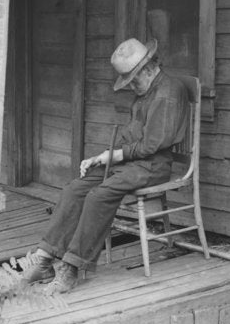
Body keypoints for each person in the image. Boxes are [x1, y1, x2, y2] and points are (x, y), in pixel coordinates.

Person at [20, 37, 191, 294]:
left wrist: (112, 157)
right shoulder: (147, 91)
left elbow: (151, 146)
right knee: (75, 189)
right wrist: (103, 156)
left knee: (98, 197)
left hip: (153, 166)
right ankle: (45, 259)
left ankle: (71, 267)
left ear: (148, 68)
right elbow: (134, 137)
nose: (132, 85)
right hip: (132, 162)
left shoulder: (168, 93)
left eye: (134, 79)